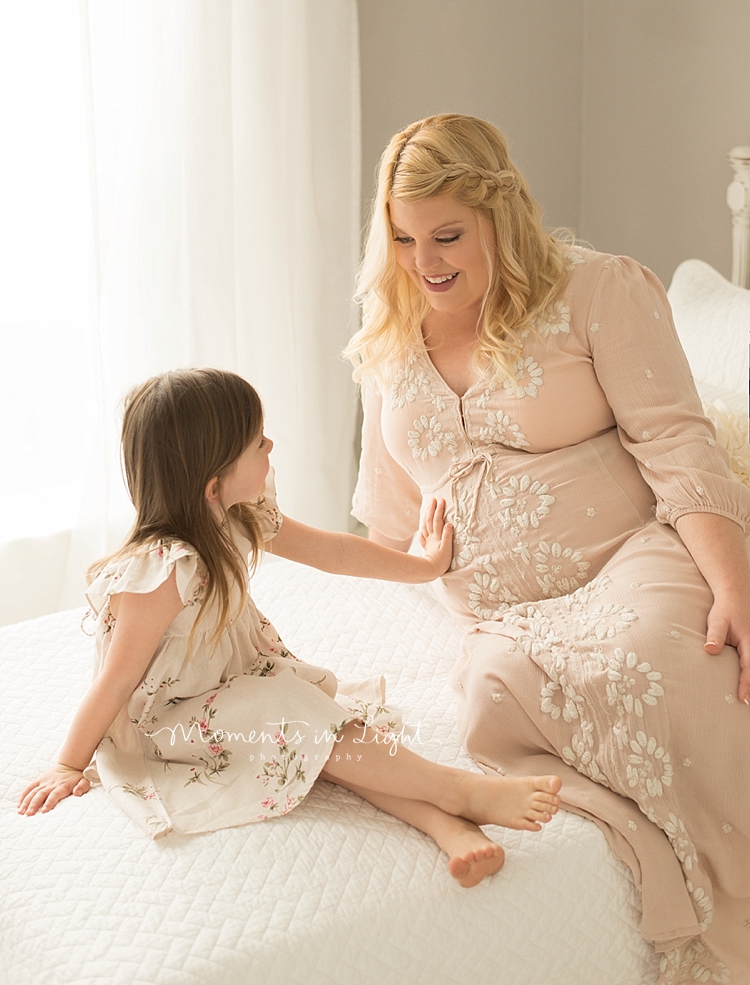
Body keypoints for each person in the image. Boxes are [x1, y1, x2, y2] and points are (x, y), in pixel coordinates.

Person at [346, 114, 750, 979]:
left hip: (633, 559)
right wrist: (415, 559)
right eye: (405, 238)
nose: (426, 262)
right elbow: (386, 519)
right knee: (492, 693)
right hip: (504, 614)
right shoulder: (387, 337)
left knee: (656, 662)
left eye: (448, 235)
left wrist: (733, 585)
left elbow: (680, 447)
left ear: (502, 212)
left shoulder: (598, 290)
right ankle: (666, 868)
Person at [17, 368, 561, 889]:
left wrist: (426, 567)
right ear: (212, 485)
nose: (271, 447)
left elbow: (335, 552)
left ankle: (450, 828)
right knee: (299, 718)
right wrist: (69, 764)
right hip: (173, 723)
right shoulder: (161, 571)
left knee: (325, 744)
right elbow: (115, 682)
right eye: (257, 443)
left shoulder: (240, 514)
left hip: (231, 685)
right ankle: (463, 791)